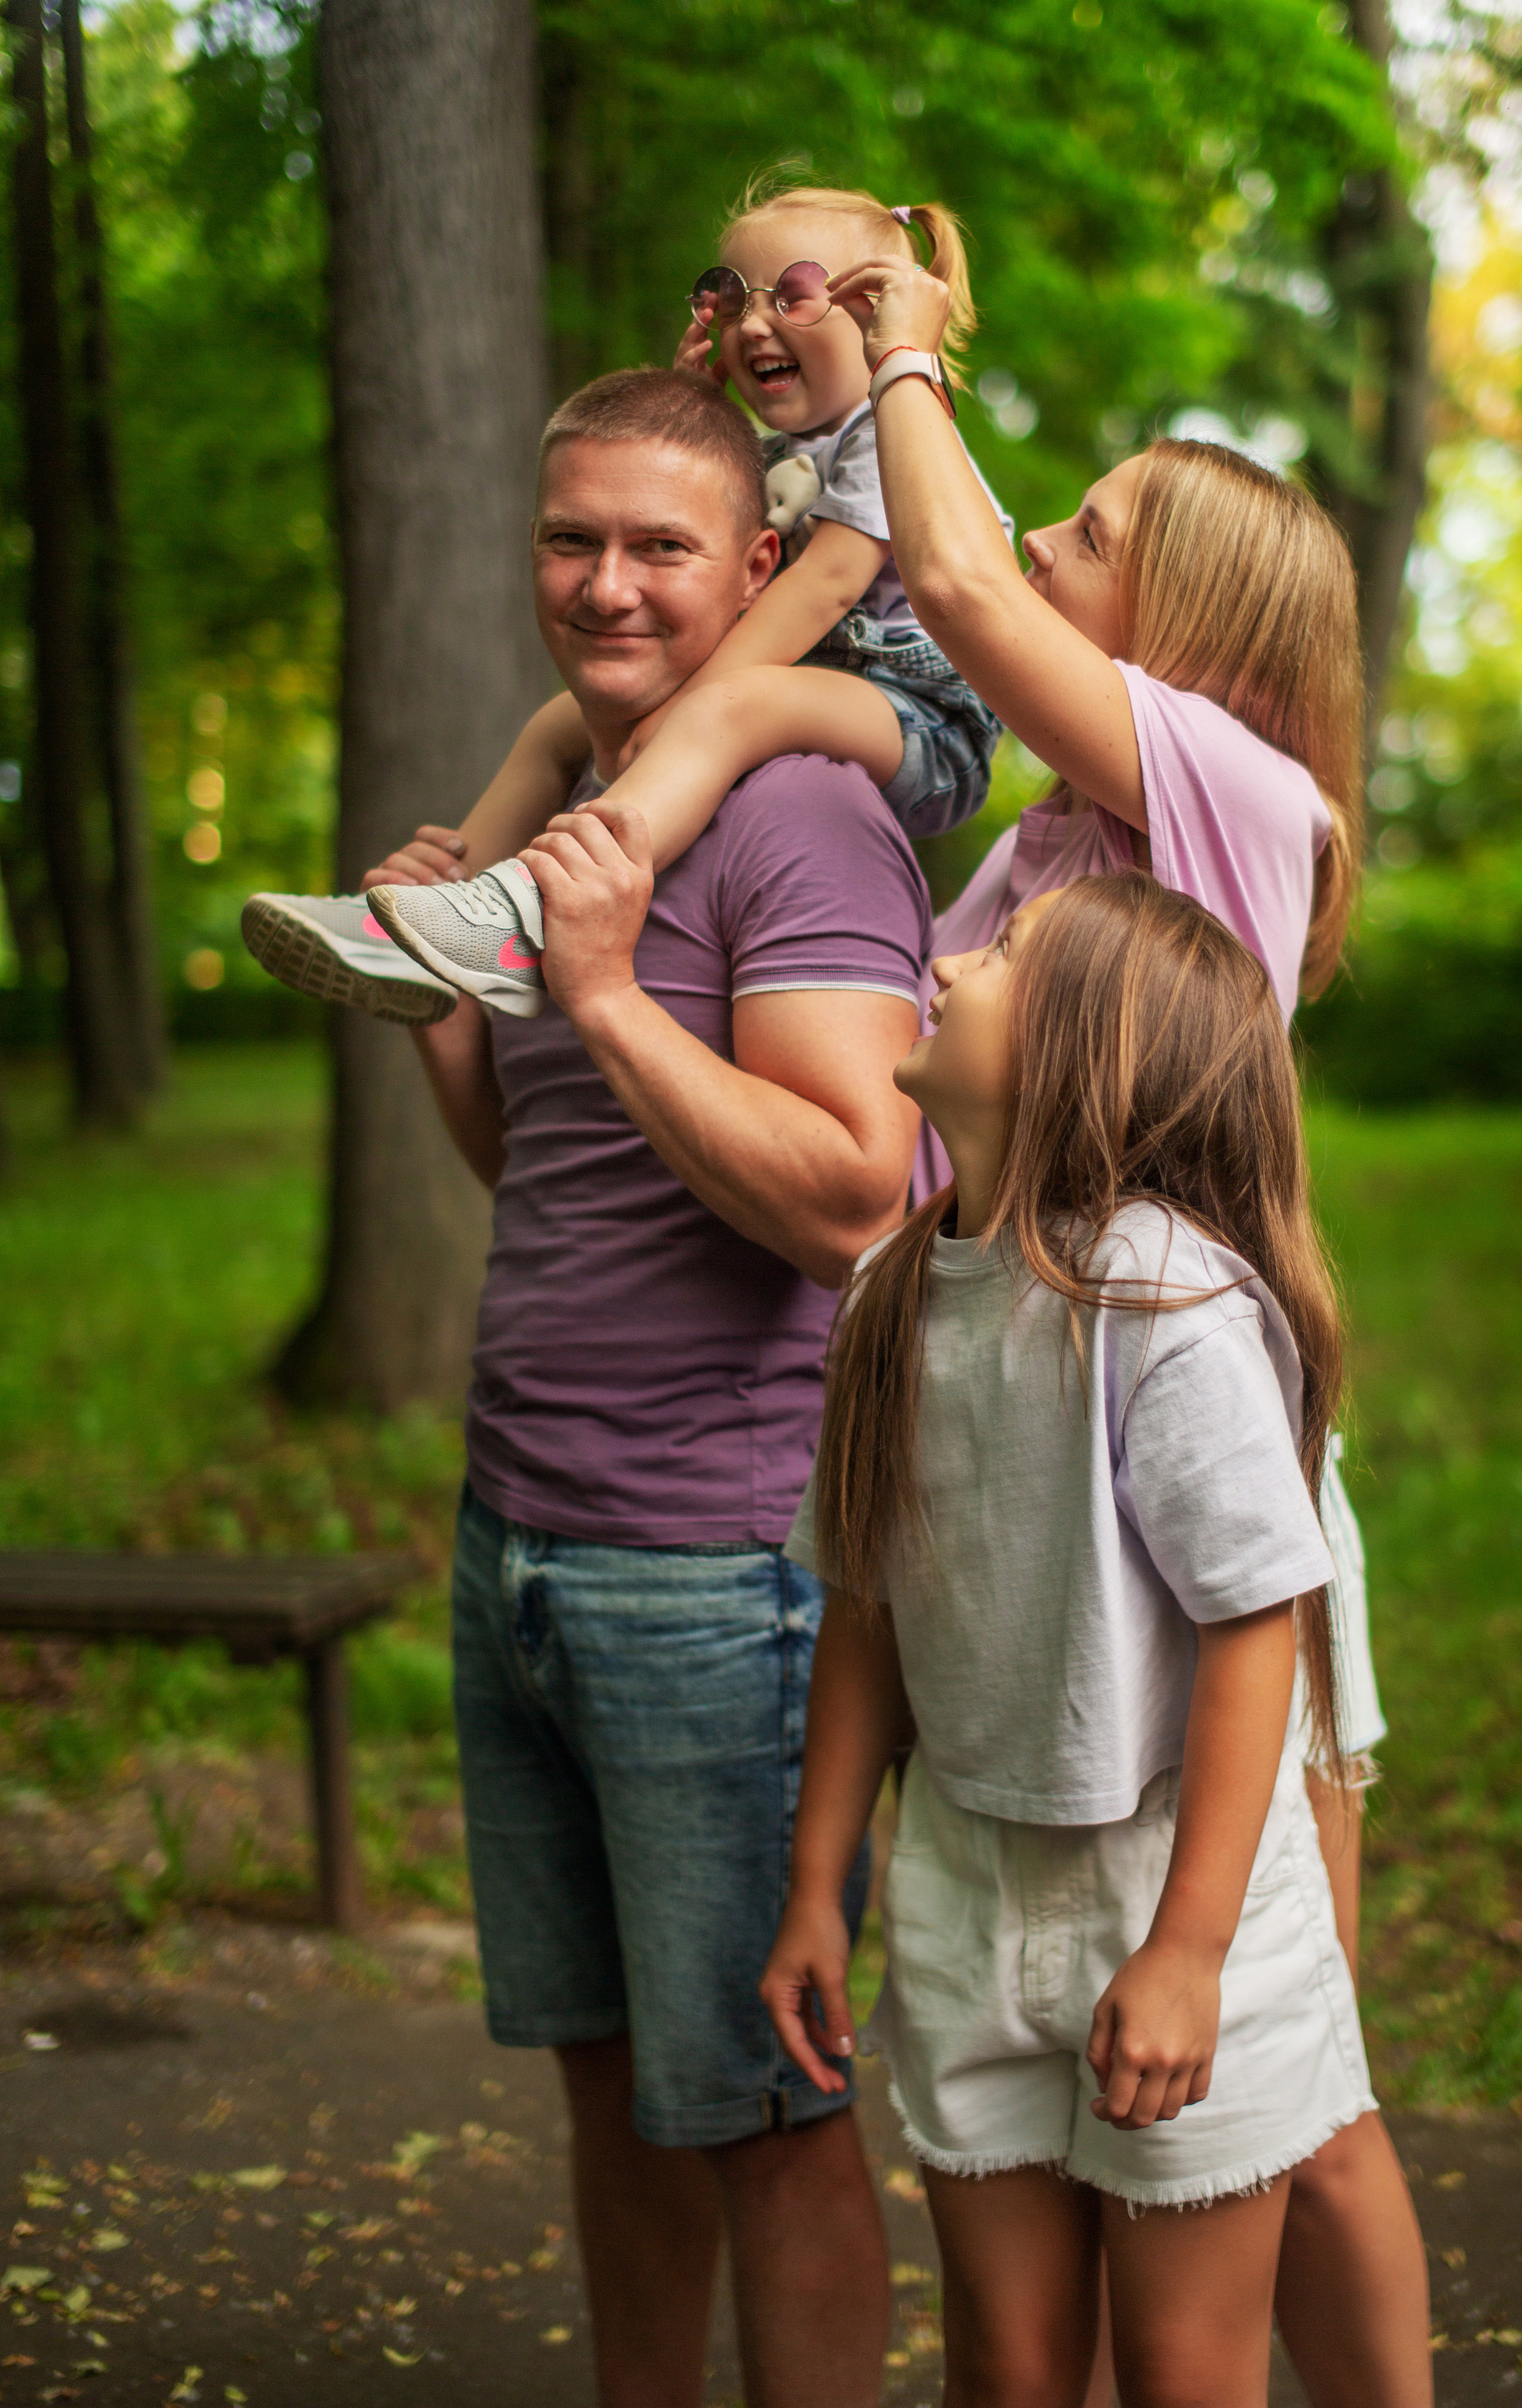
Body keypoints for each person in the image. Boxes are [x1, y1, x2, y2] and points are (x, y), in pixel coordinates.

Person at [818, 245, 1433, 2408]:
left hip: (1189, 1483)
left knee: (1296, 2077)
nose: (1041, 545)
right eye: (1053, 509)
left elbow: (969, 592)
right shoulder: (1048, 849)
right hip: (1019, 1438)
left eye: (1096, 532)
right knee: (1220, 2091)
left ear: (1196, 634)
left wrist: (906, 348)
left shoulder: (1240, 817)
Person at [397, 365, 934, 2408]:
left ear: (762, 567)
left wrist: (606, 989)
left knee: (766, 2110)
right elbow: (559, 1190)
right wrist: (457, 1013)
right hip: (516, 1547)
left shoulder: (794, 814)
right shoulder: (578, 821)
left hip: (719, 1579)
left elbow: (848, 1199)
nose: (606, 586)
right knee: (615, 2084)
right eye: (572, 540)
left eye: (658, 547)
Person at [763, 872, 1374, 2407]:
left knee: (1182, 2371)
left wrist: (1184, 1951)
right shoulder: (888, 1298)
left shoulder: (1160, 1305)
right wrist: (816, 1888)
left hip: (1173, 1889)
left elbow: (1255, 1629)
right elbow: (865, 1612)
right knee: (1011, 2368)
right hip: (965, 1892)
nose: (950, 955)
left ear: (1090, 1050)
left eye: (1005, 952)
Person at [240, 180, 1005, 1023]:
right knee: (558, 723)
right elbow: (715, 508)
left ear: (875, 322)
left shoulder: (890, 426)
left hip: (928, 722)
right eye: (732, 297)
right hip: (832, 689)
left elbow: (825, 584)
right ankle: (436, 914)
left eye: (791, 295)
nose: (752, 324)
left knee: (730, 710)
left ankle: (534, 910)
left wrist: (694, 706)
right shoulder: (793, 445)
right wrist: (698, 406)